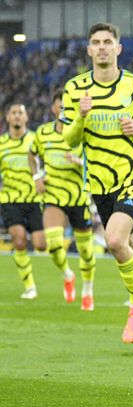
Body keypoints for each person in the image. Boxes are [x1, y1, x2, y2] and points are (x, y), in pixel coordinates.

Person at [60, 22, 133, 354]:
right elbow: (68, 138)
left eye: (107, 42)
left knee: (113, 240)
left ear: (118, 48)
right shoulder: (75, 89)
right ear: (88, 49)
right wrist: (81, 117)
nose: (101, 47)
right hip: (98, 182)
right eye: (95, 42)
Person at [28, 92, 97, 310]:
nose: (65, 110)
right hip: (54, 195)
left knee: (86, 251)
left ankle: (87, 289)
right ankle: (68, 274)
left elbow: (96, 161)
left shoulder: (84, 133)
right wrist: (37, 176)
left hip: (78, 197)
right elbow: (32, 155)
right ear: (54, 109)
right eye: (62, 107)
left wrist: (79, 162)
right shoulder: (43, 133)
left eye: (70, 107)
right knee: (54, 244)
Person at [0, 102, 46, 299]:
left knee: (40, 245)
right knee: (18, 240)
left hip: (34, 198)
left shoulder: (36, 139)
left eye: (21, 112)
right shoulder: (1, 144)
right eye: (14, 113)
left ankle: (66, 272)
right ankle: (30, 287)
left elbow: (48, 161)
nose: (17, 116)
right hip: (10, 198)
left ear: (26, 118)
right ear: (7, 117)